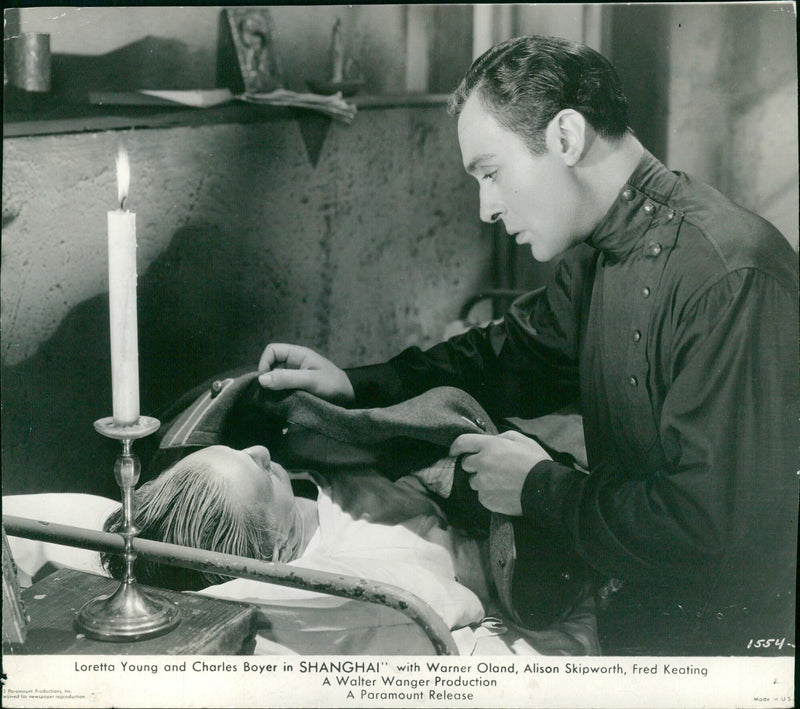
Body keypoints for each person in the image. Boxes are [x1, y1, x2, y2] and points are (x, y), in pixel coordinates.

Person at [255, 35, 799, 655]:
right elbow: (505, 356)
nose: (487, 207)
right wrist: (356, 383)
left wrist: (539, 489)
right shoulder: (595, 258)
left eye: (491, 172)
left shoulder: (731, 278)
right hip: (631, 629)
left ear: (565, 137)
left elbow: (711, 528)